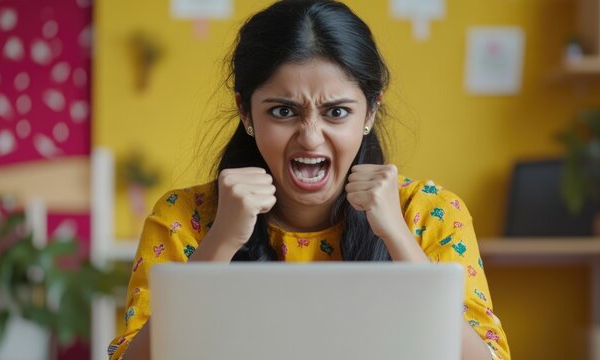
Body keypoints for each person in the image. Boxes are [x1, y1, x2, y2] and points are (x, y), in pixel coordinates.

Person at [107, 1, 511, 359]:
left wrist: (398, 238)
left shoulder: (431, 213)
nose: (311, 137)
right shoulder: (184, 218)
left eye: (336, 112)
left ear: (370, 112)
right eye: (283, 112)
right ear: (245, 112)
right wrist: (221, 242)